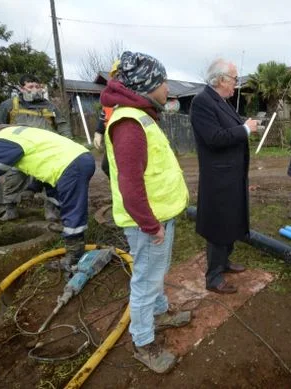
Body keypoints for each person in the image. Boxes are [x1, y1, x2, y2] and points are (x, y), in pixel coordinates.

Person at [101, 51, 191, 374]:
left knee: (156, 273)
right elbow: (130, 186)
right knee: (145, 280)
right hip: (147, 223)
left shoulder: (141, 116)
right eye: (163, 81)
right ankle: (143, 342)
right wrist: (151, 226)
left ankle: (160, 312)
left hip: (158, 216)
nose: (168, 88)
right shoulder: (129, 124)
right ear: (147, 84)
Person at [0, 119, 94, 271]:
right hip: (78, 158)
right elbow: (41, 158)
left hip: (70, 166)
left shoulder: (4, 140)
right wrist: (33, 187)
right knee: (57, 198)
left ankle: (74, 259)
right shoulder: (19, 131)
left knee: (72, 209)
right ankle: (67, 230)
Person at [190, 58, 258, 295]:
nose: (235, 84)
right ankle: (214, 276)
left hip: (232, 175)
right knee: (219, 225)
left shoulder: (223, 101)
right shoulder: (202, 102)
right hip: (218, 178)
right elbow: (215, 138)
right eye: (234, 79)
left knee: (231, 220)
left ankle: (224, 262)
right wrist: (246, 129)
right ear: (220, 80)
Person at [0, 74, 72, 222]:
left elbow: (62, 125)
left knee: (51, 180)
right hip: (19, 152)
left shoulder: (50, 106)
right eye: (30, 87)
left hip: (46, 151)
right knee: (13, 179)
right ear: (21, 88)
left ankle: (51, 209)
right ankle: (10, 209)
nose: (35, 89)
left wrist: (67, 142)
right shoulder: (8, 105)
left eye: (37, 86)